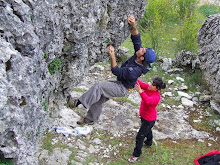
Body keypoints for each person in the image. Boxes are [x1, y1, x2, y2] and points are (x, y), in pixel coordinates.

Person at [66, 15, 156, 125]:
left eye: (143, 50)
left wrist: (112, 55)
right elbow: (136, 39)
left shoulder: (135, 70)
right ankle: (90, 119)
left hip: (122, 88)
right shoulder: (139, 56)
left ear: (142, 58)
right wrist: (133, 25)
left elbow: (116, 71)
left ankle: (76, 103)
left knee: (99, 86)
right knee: (99, 97)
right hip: (120, 83)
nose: (141, 48)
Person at [128, 77, 166, 163]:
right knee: (148, 131)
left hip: (149, 119)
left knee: (139, 137)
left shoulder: (156, 96)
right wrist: (133, 74)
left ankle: (136, 155)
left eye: (152, 84)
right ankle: (149, 142)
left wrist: (140, 91)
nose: (149, 84)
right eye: (151, 82)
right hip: (144, 117)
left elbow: (148, 101)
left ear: (157, 88)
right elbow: (140, 83)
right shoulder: (148, 87)